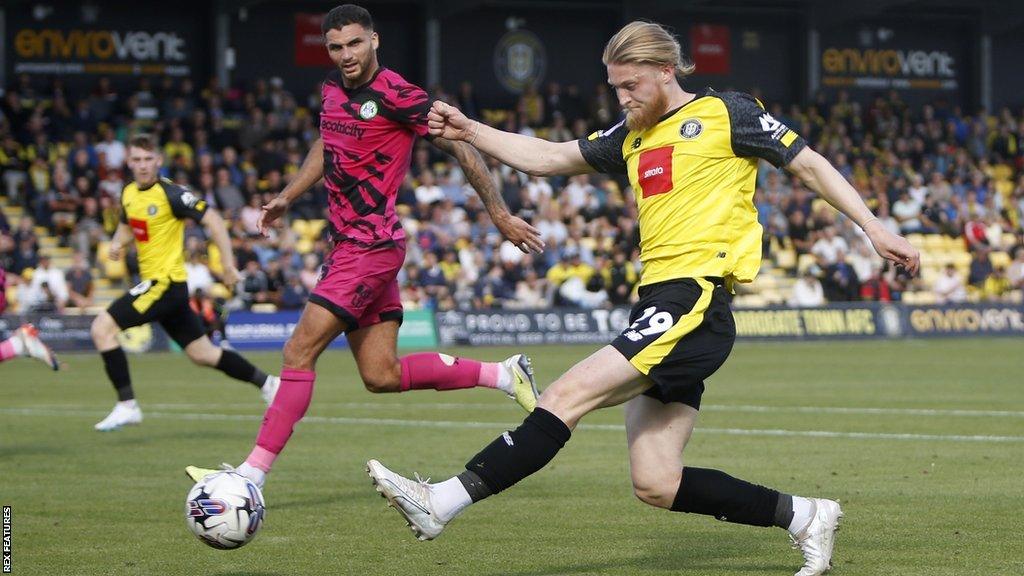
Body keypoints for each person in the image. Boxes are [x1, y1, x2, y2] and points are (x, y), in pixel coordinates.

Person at [365, 21, 920, 576]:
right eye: (615, 88)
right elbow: (549, 157)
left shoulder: (728, 113)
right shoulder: (632, 135)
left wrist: (873, 227)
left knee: (565, 395)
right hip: (658, 302)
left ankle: (442, 501)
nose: (623, 97)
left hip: (694, 300)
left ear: (665, 71)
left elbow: (809, 163)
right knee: (656, 481)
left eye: (631, 85)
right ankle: (805, 515)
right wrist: (469, 129)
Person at [185, 4, 544, 488]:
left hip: (369, 248)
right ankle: (503, 375)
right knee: (380, 375)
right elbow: (326, 142)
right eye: (336, 47)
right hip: (351, 246)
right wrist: (288, 197)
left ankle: (249, 478)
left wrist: (499, 214)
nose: (346, 54)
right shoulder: (332, 90)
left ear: (374, 40)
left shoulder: (397, 94)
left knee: (297, 352)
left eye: (355, 43)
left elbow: (462, 145)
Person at [89, 134, 279, 432]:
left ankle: (127, 405)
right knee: (203, 354)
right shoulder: (128, 194)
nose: (142, 165)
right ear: (128, 162)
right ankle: (269, 384)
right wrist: (116, 243)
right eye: (136, 159)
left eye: (147, 159)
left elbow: (214, 220)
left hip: (163, 283)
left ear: (158, 161)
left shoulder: (172, 195)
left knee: (102, 328)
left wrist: (228, 265)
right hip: (166, 289)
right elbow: (129, 226)